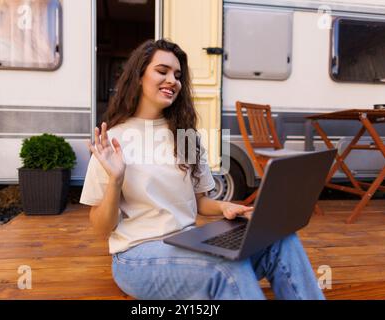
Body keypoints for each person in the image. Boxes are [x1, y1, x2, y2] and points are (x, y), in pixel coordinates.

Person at [80, 39, 324, 300]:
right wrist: (116, 180)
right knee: (225, 266)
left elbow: (199, 202)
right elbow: (101, 228)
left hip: (190, 244)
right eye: (162, 71)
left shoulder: (185, 137)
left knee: (281, 241)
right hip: (139, 256)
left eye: (177, 75)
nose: (172, 80)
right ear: (138, 76)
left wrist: (224, 208)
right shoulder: (113, 140)